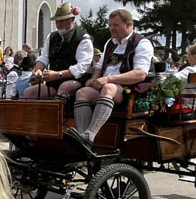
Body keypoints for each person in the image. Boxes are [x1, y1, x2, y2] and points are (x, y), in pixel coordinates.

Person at [65, 9, 153, 153]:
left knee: (109, 88)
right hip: (108, 86)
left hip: (131, 89)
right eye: (110, 25)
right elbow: (99, 67)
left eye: (116, 25)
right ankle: (81, 136)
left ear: (128, 24)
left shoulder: (141, 43)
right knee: (82, 92)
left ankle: (90, 135)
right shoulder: (110, 43)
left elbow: (140, 74)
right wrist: (93, 80)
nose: (112, 28)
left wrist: (107, 79)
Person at [23, 2, 93, 103]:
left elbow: (81, 68)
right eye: (57, 21)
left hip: (78, 82)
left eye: (63, 20)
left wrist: (58, 74)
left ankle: (55, 117)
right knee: (28, 93)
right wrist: (38, 70)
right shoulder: (52, 37)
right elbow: (43, 58)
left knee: (64, 87)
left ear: (72, 19)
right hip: (54, 83)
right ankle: (35, 118)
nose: (59, 24)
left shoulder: (83, 39)